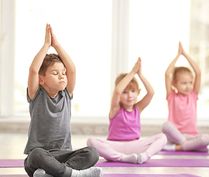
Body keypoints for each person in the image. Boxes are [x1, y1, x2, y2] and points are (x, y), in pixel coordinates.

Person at [24, 24, 102, 177]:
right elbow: (33, 70)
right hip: (40, 158)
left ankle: (53, 173)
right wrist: (47, 45)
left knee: (92, 153)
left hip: (64, 154)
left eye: (63, 73)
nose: (62, 76)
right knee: (37, 154)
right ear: (42, 80)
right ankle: (73, 174)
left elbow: (72, 69)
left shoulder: (66, 94)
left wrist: (57, 45)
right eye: (55, 73)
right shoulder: (37, 95)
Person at [87, 58, 167, 164]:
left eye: (133, 91)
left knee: (163, 137)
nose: (130, 96)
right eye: (125, 92)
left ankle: (144, 156)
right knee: (91, 141)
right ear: (120, 96)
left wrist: (140, 74)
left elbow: (151, 92)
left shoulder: (138, 108)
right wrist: (133, 72)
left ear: (138, 92)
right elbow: (117, 91)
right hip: (115, 146)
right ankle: (122, 158)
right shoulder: (115, 109)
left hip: (135, 145)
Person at [162, 42, 209, 152]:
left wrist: (185, 54)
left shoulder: (193, 95)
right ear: (174, 83)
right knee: (166, 126)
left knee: (206, 139)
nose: (188, 86)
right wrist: (177, 56)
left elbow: (198, 72)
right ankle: (190, 146)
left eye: (190, 82)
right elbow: (167, 74)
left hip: (191, 135)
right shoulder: (171, 96)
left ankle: (180, 147)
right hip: (175, 135)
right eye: (183, 83)